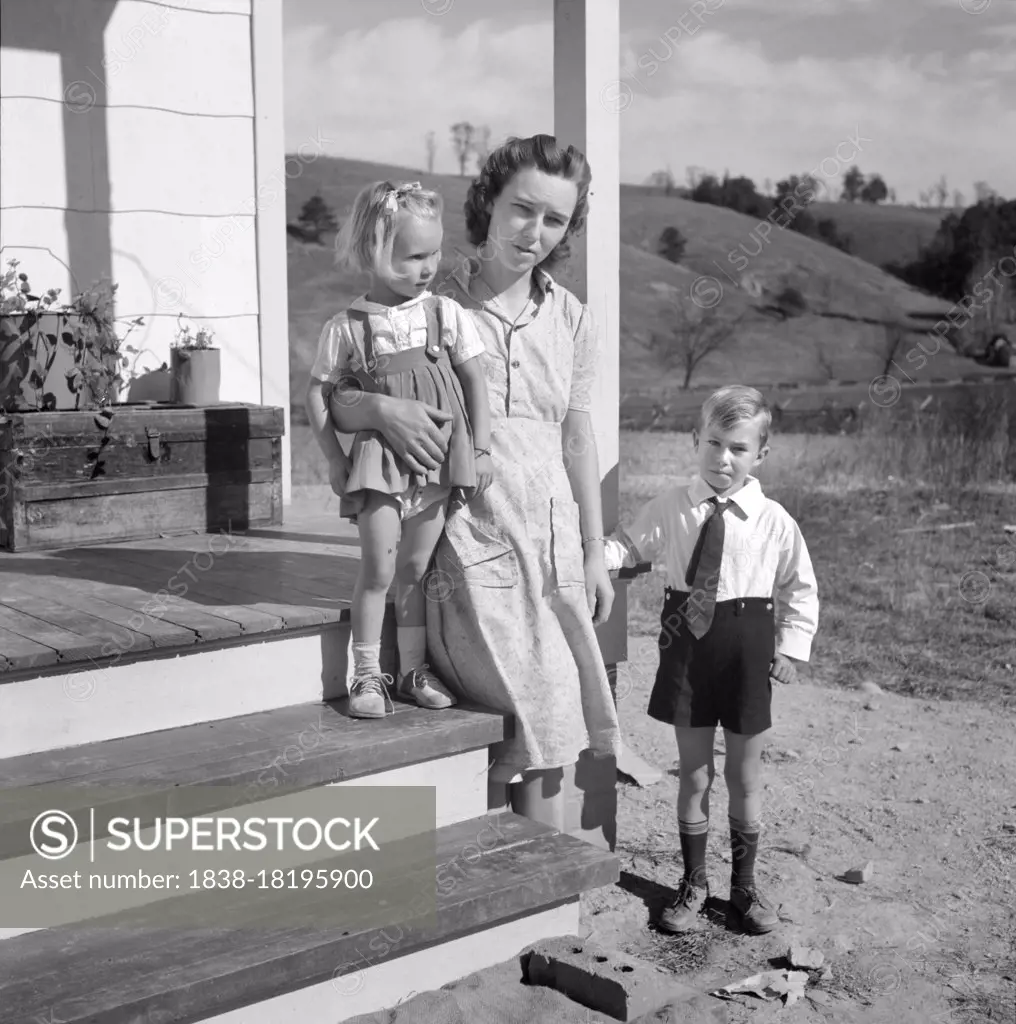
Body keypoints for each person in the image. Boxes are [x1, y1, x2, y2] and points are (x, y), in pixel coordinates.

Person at [327, 136, 621, 827]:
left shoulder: (572, 318)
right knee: (491, 727)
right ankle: (484, 894)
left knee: (551, 723)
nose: (535, 233)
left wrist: (592, 546)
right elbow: (340, 392)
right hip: (460, 538)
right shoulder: (426, 299)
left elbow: (576, 435)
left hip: (548, 543)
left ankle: (538, 909)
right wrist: (378, 407)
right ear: (488, 202)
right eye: (523, 210)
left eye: (554, 220)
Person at [603, 385, 819, 935]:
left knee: (745, 776)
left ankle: (743, 888)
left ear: (760, 455)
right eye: (715, 443)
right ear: (695, 440)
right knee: (694, 774)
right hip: (688, 653)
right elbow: (626, 545)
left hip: (747, 658)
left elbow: (800, 587)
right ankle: (694, 882)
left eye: (739, 449)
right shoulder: (672, 507)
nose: (724, 458)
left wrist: (791, 649)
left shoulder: (774, 520)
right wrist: (591, 562)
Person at [305, 180, 493, 719]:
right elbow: (318, 394)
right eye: (414, 256)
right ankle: (366, 674)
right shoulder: (346, 328)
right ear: (374, 251)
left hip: (434, 462)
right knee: (378, 570)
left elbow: (475, 381)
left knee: (416, 570)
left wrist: (478, 451)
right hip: (378, 469)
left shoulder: (446, 314)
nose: (428, 267)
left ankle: (412, 670)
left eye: (434, 253)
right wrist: (335, 461)